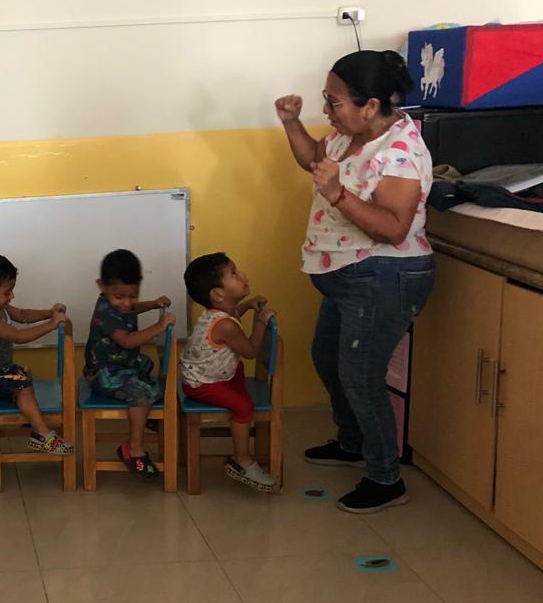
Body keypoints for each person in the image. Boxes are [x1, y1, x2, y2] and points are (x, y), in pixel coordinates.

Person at [275, 49, 434, 513]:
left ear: (370, 105)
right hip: (347, 277)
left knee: (361, 378)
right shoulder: (350, 135)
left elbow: (394, 228)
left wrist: (338, 194)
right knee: (326, 358)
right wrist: (291, 124)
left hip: (384, 276)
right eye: (326, 99)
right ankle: (352, 442)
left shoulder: (400, 152)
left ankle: (386, 479)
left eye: (334, 101)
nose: (327, 109)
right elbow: (315, 160)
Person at [179, 252, 278, 492]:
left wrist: (248, 305)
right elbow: (251, 351)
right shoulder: (224, 325)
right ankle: (241, 460)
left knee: (239, 373)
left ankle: (240, 428)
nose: (242, 275)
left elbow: (234, 314)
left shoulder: (221, 313)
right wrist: (261, 321)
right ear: (217, 294)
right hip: (200, 384)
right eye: (233, 273)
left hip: (212, 375)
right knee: (243, 406)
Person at [0, 251, 73, 454]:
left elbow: (23, 315)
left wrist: (49, 313)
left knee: (24, 375)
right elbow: (18, 336)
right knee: (22, 384)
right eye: (7, 292)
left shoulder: (1, 307)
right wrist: (51, 325)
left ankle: (30, 417)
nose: (12, 296)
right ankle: (42, 434)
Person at [84, 249, 175, 479]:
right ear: (101, 286)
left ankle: (145, 418)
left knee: (146, 365)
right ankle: (133, 449)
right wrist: (159, 326)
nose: (126, 303)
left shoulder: (119, 303)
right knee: (143, 393)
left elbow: (132, 309)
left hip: (123, 365)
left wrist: (153, 304)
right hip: (103, 373)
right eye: (120, 297)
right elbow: (127, 341)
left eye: (132, 296)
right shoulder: (106, 312)